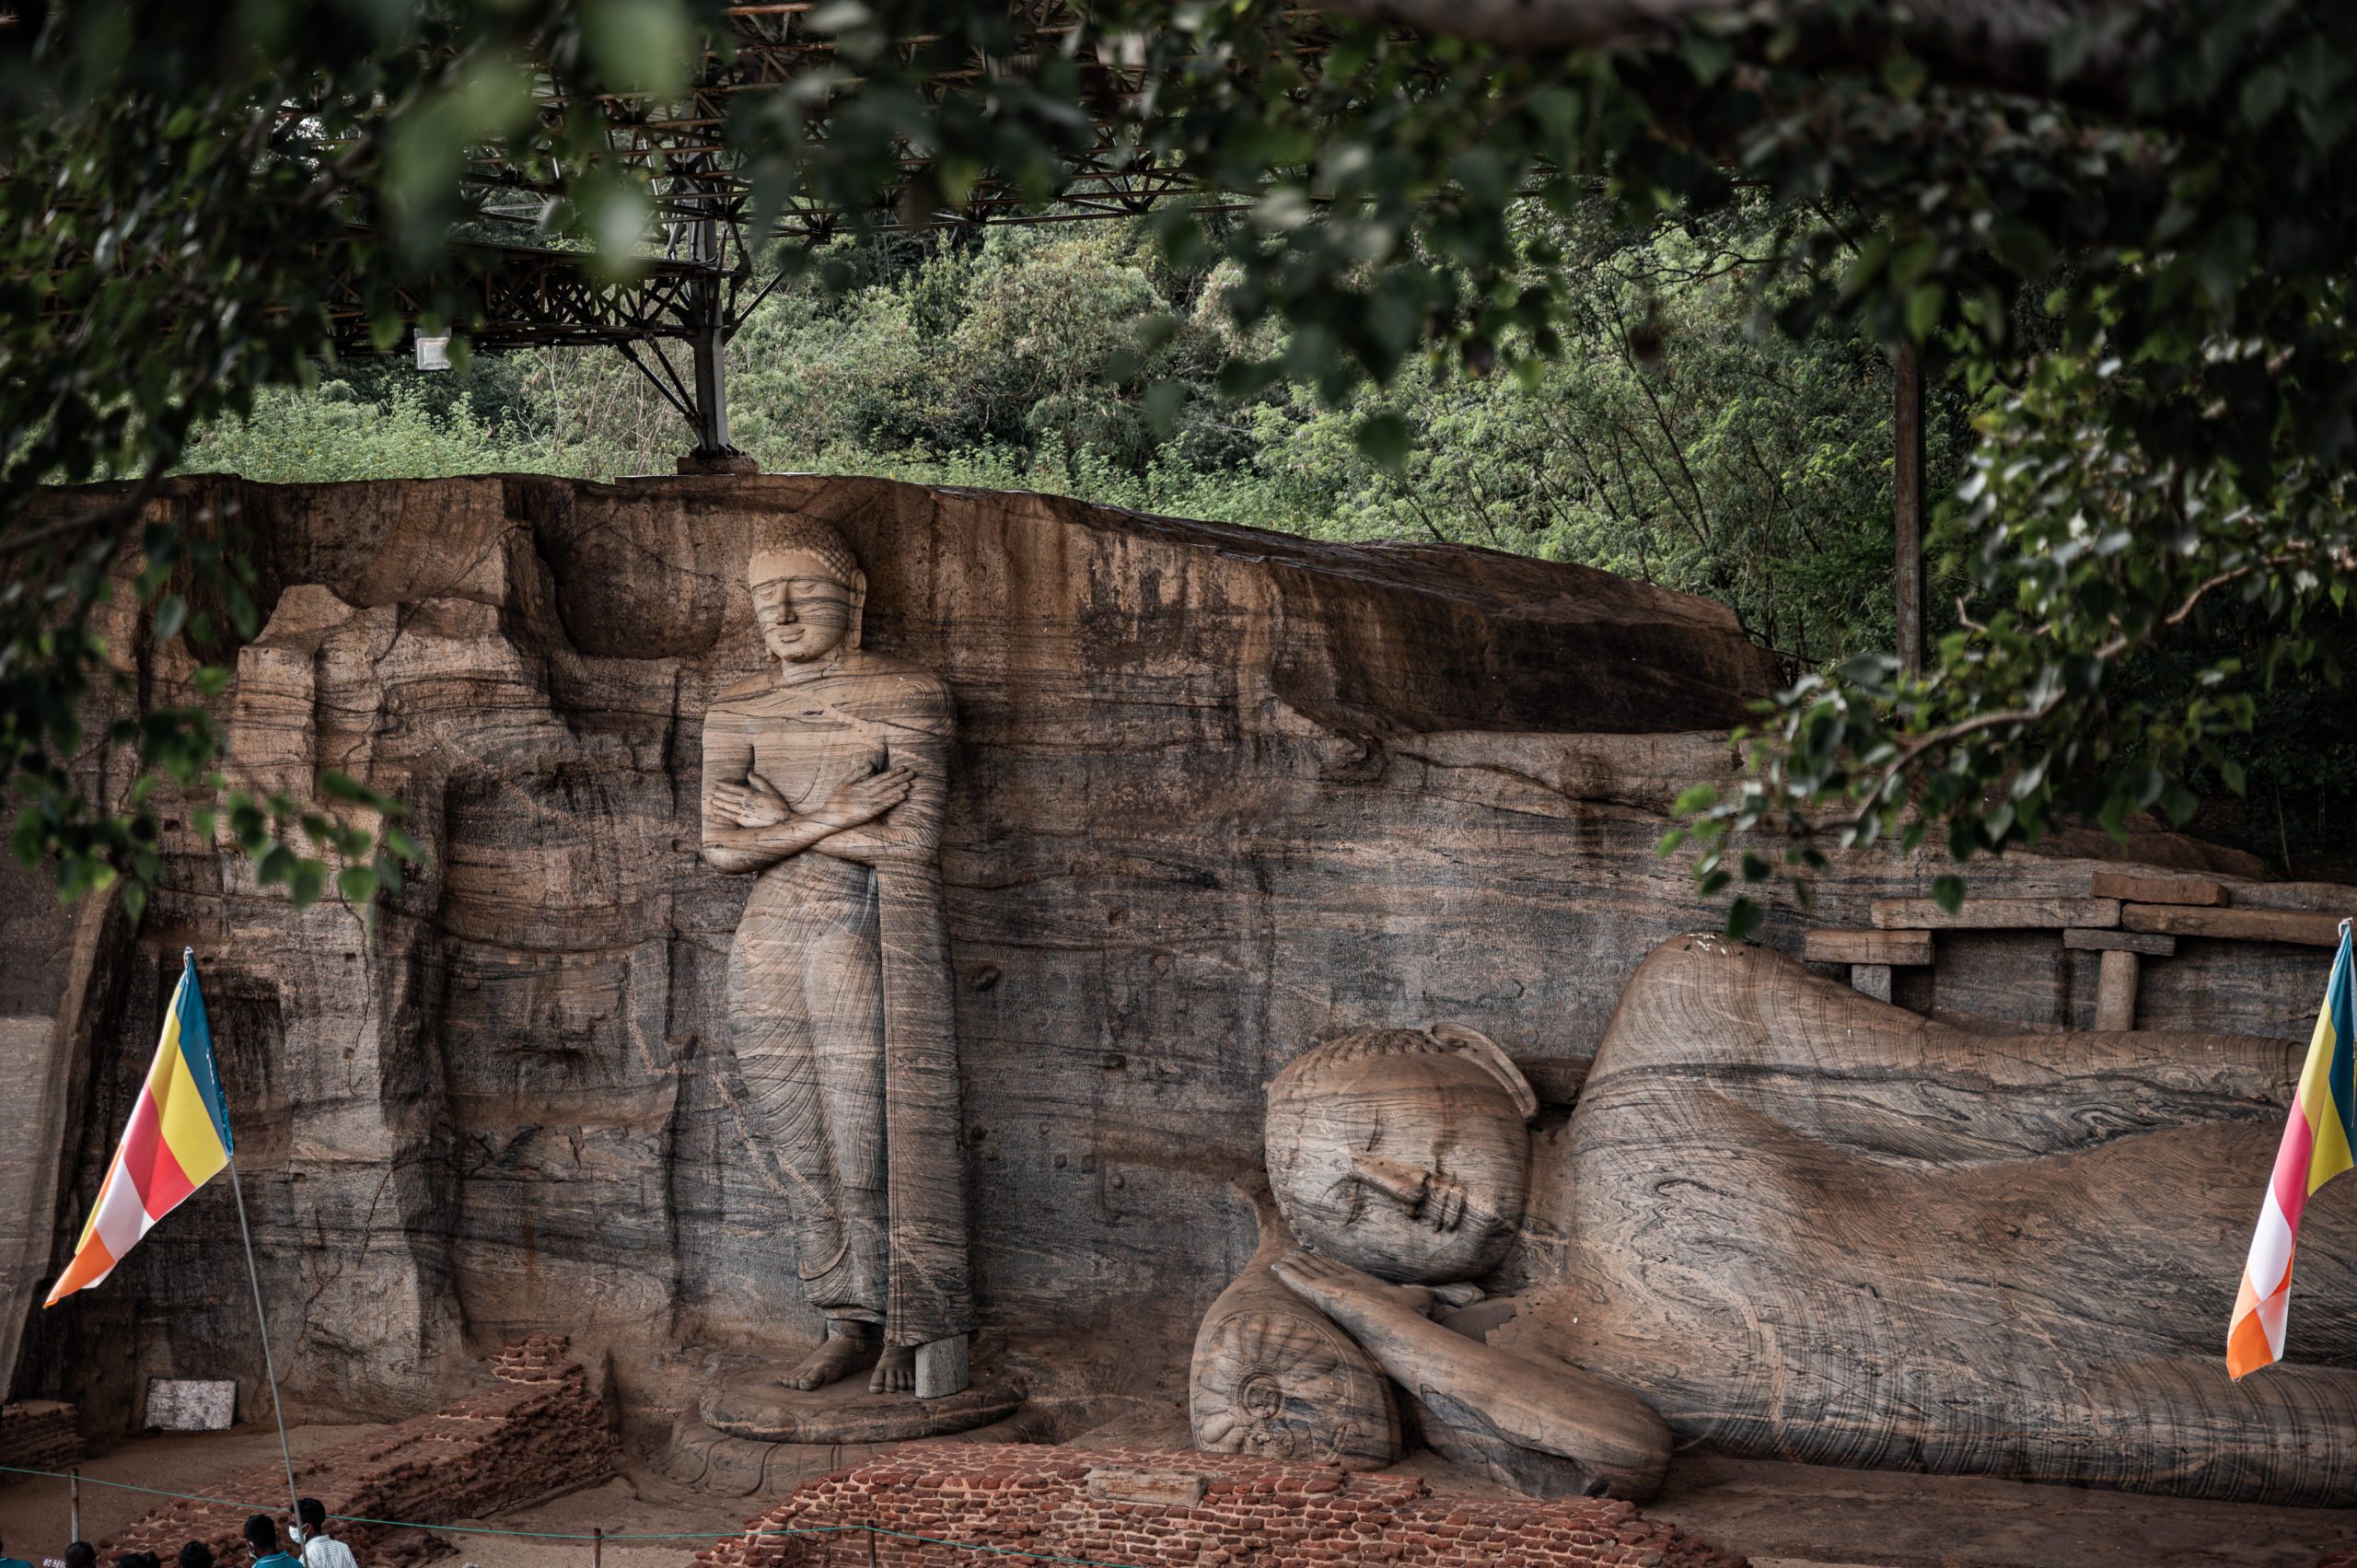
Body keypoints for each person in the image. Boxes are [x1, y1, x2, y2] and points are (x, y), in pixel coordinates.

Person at [288, 1502, 352, 1568]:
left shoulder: (307, 1559)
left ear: (307, 1527)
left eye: (294, 1524)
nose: (291, 1527)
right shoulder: (343, 1548)